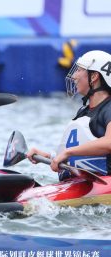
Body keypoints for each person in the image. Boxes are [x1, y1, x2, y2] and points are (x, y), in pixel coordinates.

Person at [27, 50, 111, 179]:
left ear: (94, 76)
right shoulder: (84, 112)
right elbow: (81, 156)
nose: (73, 76)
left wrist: (68, 152)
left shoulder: (109, 108)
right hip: (83, 184)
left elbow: (109, 142)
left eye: (79, 70)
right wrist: (49, 156)